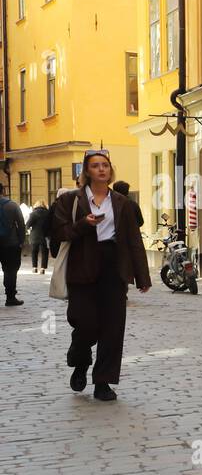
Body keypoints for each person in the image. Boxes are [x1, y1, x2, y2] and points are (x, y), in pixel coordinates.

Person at [50, 150, 151, 401]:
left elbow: (133, 239)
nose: (101, 169)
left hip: (113, 266)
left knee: (113, 327)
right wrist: (84, 223)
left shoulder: (121, 203)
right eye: (95, 166)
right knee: (85, 323)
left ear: (110, 170)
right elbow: (59, 233)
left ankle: (103, 381)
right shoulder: (70, 201)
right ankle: (80, 360)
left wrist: (142, 276)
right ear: (87, 172)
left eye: (105, 165)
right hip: (81, 266)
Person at [0, 191, 25, 305]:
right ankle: (10, 297)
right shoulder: (12, 205)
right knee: (10, 270)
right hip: (11, 244)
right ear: (3, 191)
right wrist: (21, 241)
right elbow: (21, 224)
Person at [27, 203, 51, 274]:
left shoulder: (33, 214)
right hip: (45, 235)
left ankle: (34, 268)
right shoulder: (48, 214)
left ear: (36, 205)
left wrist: (29, 229)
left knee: (34, 251)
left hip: (35, 235)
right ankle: (43, 269)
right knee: (44, 252)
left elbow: (28, 224)